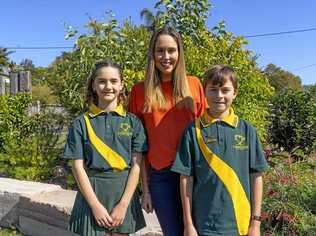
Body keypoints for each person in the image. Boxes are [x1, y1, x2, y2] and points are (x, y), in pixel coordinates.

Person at [171, 65, 268, 236]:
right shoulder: (193, 130)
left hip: (241, 224)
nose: (219, 96)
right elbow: (186, 178)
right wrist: (188, 224)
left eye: (225, 90)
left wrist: (256, 222)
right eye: (213, 90)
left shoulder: (247, 130)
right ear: (204, 92)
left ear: (235, 93)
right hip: (205, 224)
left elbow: (257, 176)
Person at [128, 25, 206, 236]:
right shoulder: (139, 91)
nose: (166, 56)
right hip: (160, 177)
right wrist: (145, 190)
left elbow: (207, 133)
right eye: (160, 50)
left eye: (171, 50)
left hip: (195, 175)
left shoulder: (194, 85)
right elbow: (138, 147)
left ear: (179, 52)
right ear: (152, 54)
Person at [62, 59, 147, 236]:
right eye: (102, 81)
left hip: (123, 192)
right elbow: (77, 167)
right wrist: (95, 205)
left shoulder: (133, 122)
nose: (108, 86)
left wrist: (124, 204)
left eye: (114, 81)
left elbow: (137, 166)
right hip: (92, 194)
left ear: (121, 85)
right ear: (93, 85)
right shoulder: (81, 123)